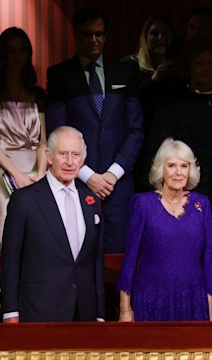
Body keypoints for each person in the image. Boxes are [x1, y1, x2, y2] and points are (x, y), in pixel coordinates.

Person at [46, 6, 144, 253]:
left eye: (99, 33)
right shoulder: (59, 75)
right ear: (76, 35)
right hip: (77, 183)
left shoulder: (125, 72)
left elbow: (135, 130)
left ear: (106, 35)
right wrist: (88, 175)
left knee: (118, 260)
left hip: (118, 186)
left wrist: (112, 174)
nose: (94, 39)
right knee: (78, 257)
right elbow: (57, 132)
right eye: (87, 34)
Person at [139, 37, 212, 245]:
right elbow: (159, 150)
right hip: (185, 193)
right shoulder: (172, 102)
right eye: (200, 63)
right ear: (189, 66)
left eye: (211, 63)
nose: (206, 69)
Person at [0, 126, 105, 322]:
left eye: (76, 155)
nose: (70, 162)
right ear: (49, 156)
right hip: (39, 312)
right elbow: (10, 260)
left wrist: (100, 314)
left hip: (84, 313)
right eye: (63, 154)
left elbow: (96, 262)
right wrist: (10, 311)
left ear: (83, 160)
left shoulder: (92, 202)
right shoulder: (25, 200)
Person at [117, 138, 212, 321]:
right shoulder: (143, 204)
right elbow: (129, 259)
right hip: (151, 300)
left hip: (193, 301)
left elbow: (208, 260)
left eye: (184, 166)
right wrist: (125, 309)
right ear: (160, 169)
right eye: (171, 165)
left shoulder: (201, 204)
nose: (178, 173)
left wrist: (209, 309)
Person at [0, 27, 47, 255]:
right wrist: (15, 174)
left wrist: (42, 174)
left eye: (22, 50)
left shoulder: (38, 94)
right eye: (11, 50)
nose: (17, 56)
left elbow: (43, 142)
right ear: (2, 55)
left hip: (36, 169)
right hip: (1, 169)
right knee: (4, 229)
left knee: (37, 234)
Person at [121, 15, 176, 89]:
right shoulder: (129, 65)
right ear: (145, 37)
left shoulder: (177, 67)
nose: (160, 37)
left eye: (165, 33)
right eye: (154, 33)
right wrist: (154, 79)